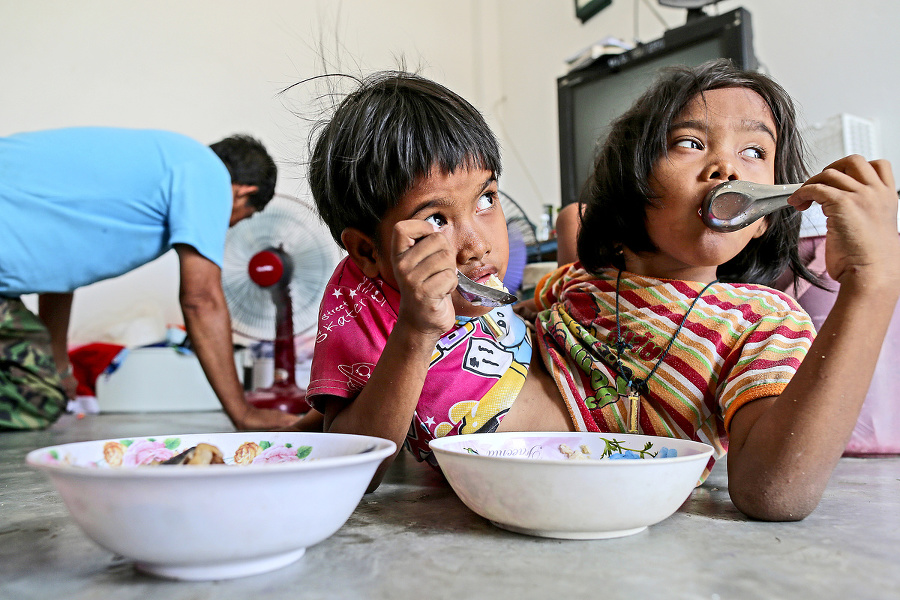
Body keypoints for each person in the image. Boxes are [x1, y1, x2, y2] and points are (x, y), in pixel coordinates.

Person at [532, 59, 900, 521]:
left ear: (763, 215)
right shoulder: (580, 285)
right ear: (636, 181)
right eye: (690, 142)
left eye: (754, 152)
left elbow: (774, 493)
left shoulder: (762, 321)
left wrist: (873, 282)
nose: (726, 165)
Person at [304, 72, 567, 489]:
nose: (477, 246)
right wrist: (416, 328)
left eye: (486, 199)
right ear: (368, 252)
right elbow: (356, 470)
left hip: (601, 434)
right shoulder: (360, 302)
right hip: (521, 493)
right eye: (436, 219)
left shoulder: (483, 285)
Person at [0, 127, 301, 431]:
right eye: (243, 217)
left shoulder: (168, 162)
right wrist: (244, 414)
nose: (230, 227)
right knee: (38, 395)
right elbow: (201, 300)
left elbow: (61, 275)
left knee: (43, 380)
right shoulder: (209, 173)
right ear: (242, 193)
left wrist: (61, 370)